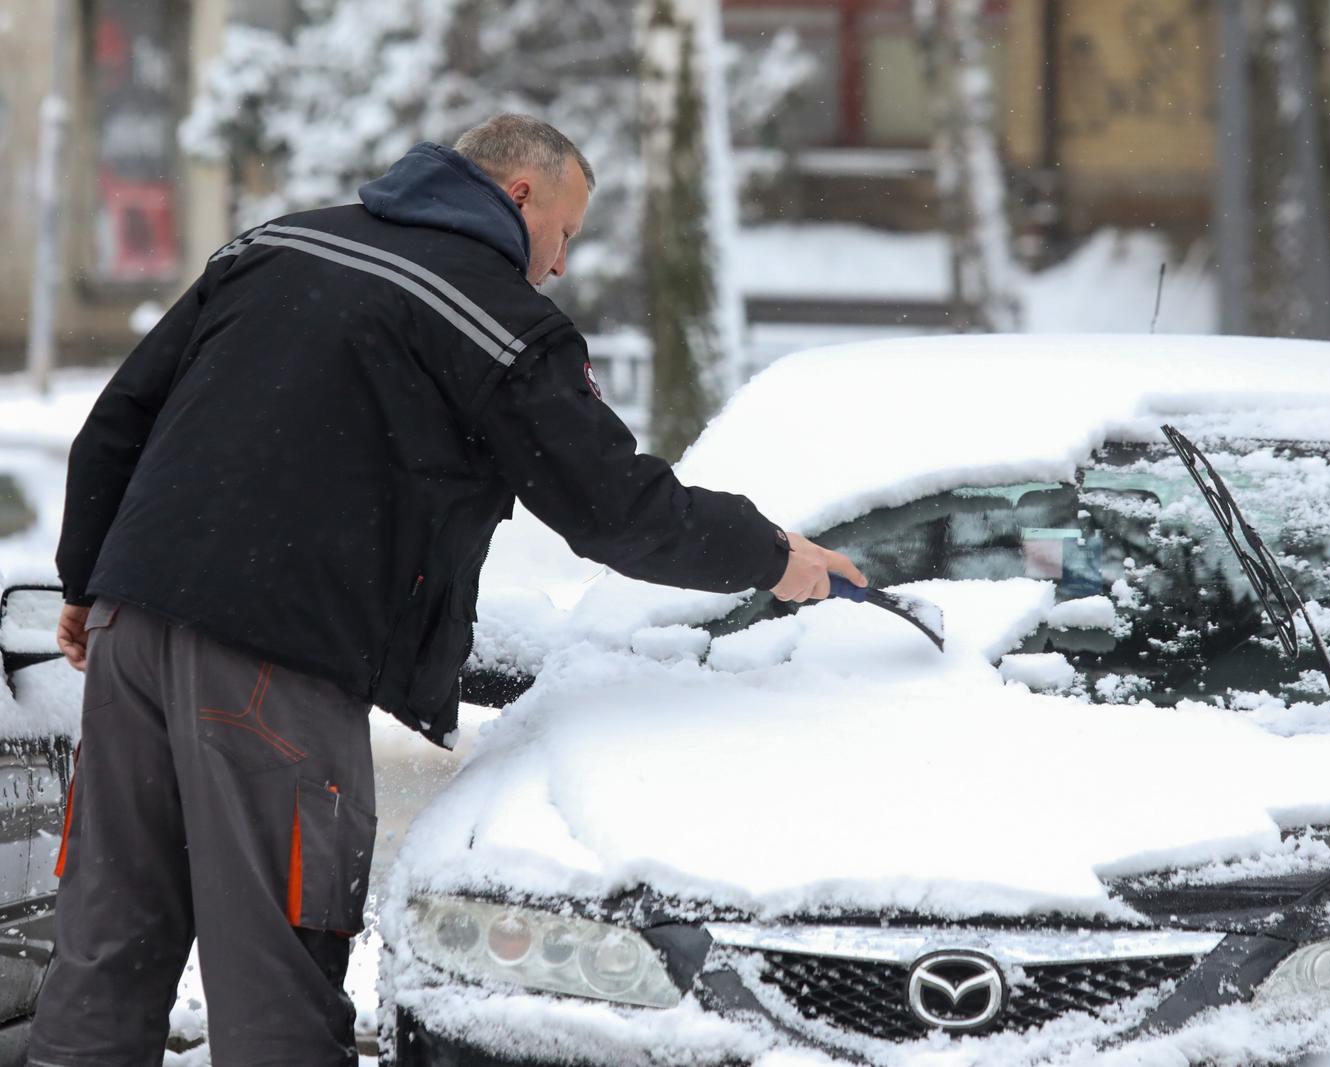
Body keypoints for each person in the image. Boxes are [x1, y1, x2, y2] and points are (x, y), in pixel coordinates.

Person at [34, 114, 864, 1067]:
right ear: (520, 197)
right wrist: (768, 553)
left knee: (109, 944)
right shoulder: (497, 320)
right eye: (566, 233)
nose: (557, 265)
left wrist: (88, 578)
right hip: (277, 661)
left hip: (132, 629)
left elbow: (121, 416)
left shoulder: (280, 242)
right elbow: (612, 509)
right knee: (276, 979)